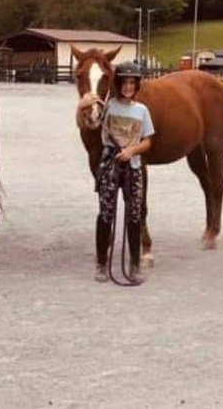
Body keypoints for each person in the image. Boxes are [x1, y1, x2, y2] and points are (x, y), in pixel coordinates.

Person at [78, 61, 154, 285]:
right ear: (118, 84)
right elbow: (86, 124)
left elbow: (148, 141)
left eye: (132, 83)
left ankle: (134, 264)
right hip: (110, 163)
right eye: (125, 83)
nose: (128, 87)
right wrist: (81, 106)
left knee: (134, 214)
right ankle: (101, 263)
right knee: (106, 213)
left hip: (133, 164)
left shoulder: (142, 111)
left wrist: (132, 150)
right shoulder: (108, 106)